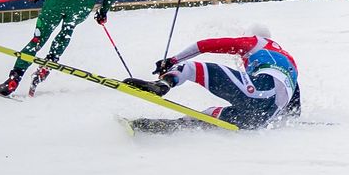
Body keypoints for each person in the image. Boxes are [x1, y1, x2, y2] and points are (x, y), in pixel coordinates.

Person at [123, 29, 301, 131]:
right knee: (207, 115)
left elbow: (207, 45)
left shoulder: (258, 43)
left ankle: (161, 86)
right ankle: (171, 127)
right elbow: (293, 109)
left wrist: (173, 60)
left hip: (258, 93)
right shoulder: (290, 62)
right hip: (258, 120)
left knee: (190, 68)